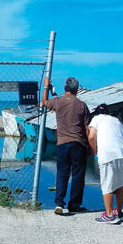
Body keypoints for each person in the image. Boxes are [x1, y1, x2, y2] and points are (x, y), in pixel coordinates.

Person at [42, 77, 91, 214]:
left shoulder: (58, 102)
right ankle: (74, 205)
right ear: (77, 89)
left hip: (62, 143)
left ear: (65, 88)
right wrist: (91, 147)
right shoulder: (82, 105)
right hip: (79, 143)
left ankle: (59, 203)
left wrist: (46, 86)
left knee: (62, 174)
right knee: (78, 176)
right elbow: (87, 128)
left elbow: (44, 102)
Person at [88, 103, 123, 224]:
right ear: (108, 112)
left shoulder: (96, 119)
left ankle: (109, 215)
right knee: (120, 183)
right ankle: (119, 212)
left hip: (107, 154)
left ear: (97, 112)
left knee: (107, 184)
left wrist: (95, 151)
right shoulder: (117, 121)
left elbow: (91, 137)